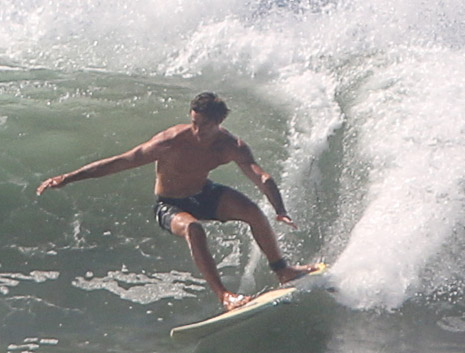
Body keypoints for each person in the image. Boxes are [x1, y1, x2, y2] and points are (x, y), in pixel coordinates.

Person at [37, 92, 315, 310]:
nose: (197, 130)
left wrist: (280, 209)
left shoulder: (230, 146)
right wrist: (68, 178)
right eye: (194, 122)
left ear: (219, 123)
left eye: (204, 125)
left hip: (203, 193)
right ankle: (225, 296)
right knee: (194, 229)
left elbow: (261, 177)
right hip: (169, 205)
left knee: (253, 211)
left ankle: (284, 271)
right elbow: (121, 161)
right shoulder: (171, 141)